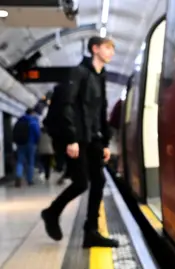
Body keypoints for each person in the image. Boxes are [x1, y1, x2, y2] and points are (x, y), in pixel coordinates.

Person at [41, 36, 119, 248]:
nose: (112, 52)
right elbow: (67, 105)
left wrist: (105, 142)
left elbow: (100, 112)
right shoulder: (79, 72)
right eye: (107, 48)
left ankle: (90, 232)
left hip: (92, 137)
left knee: (99, 181)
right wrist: (71, 138)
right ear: (95, 49)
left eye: (113, 49)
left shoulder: (101, 77)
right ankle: (51, 212)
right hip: (77, 137)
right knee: (81, 182)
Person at [13, 108, 41, 186]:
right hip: (31, 143)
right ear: (32, 113)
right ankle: (29, 180)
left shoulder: (19, 120)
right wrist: (37, 141)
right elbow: (37, 133)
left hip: (20, 143)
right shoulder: (33, 121)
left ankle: (18, 176)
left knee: (20, 161)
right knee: (30, 162)